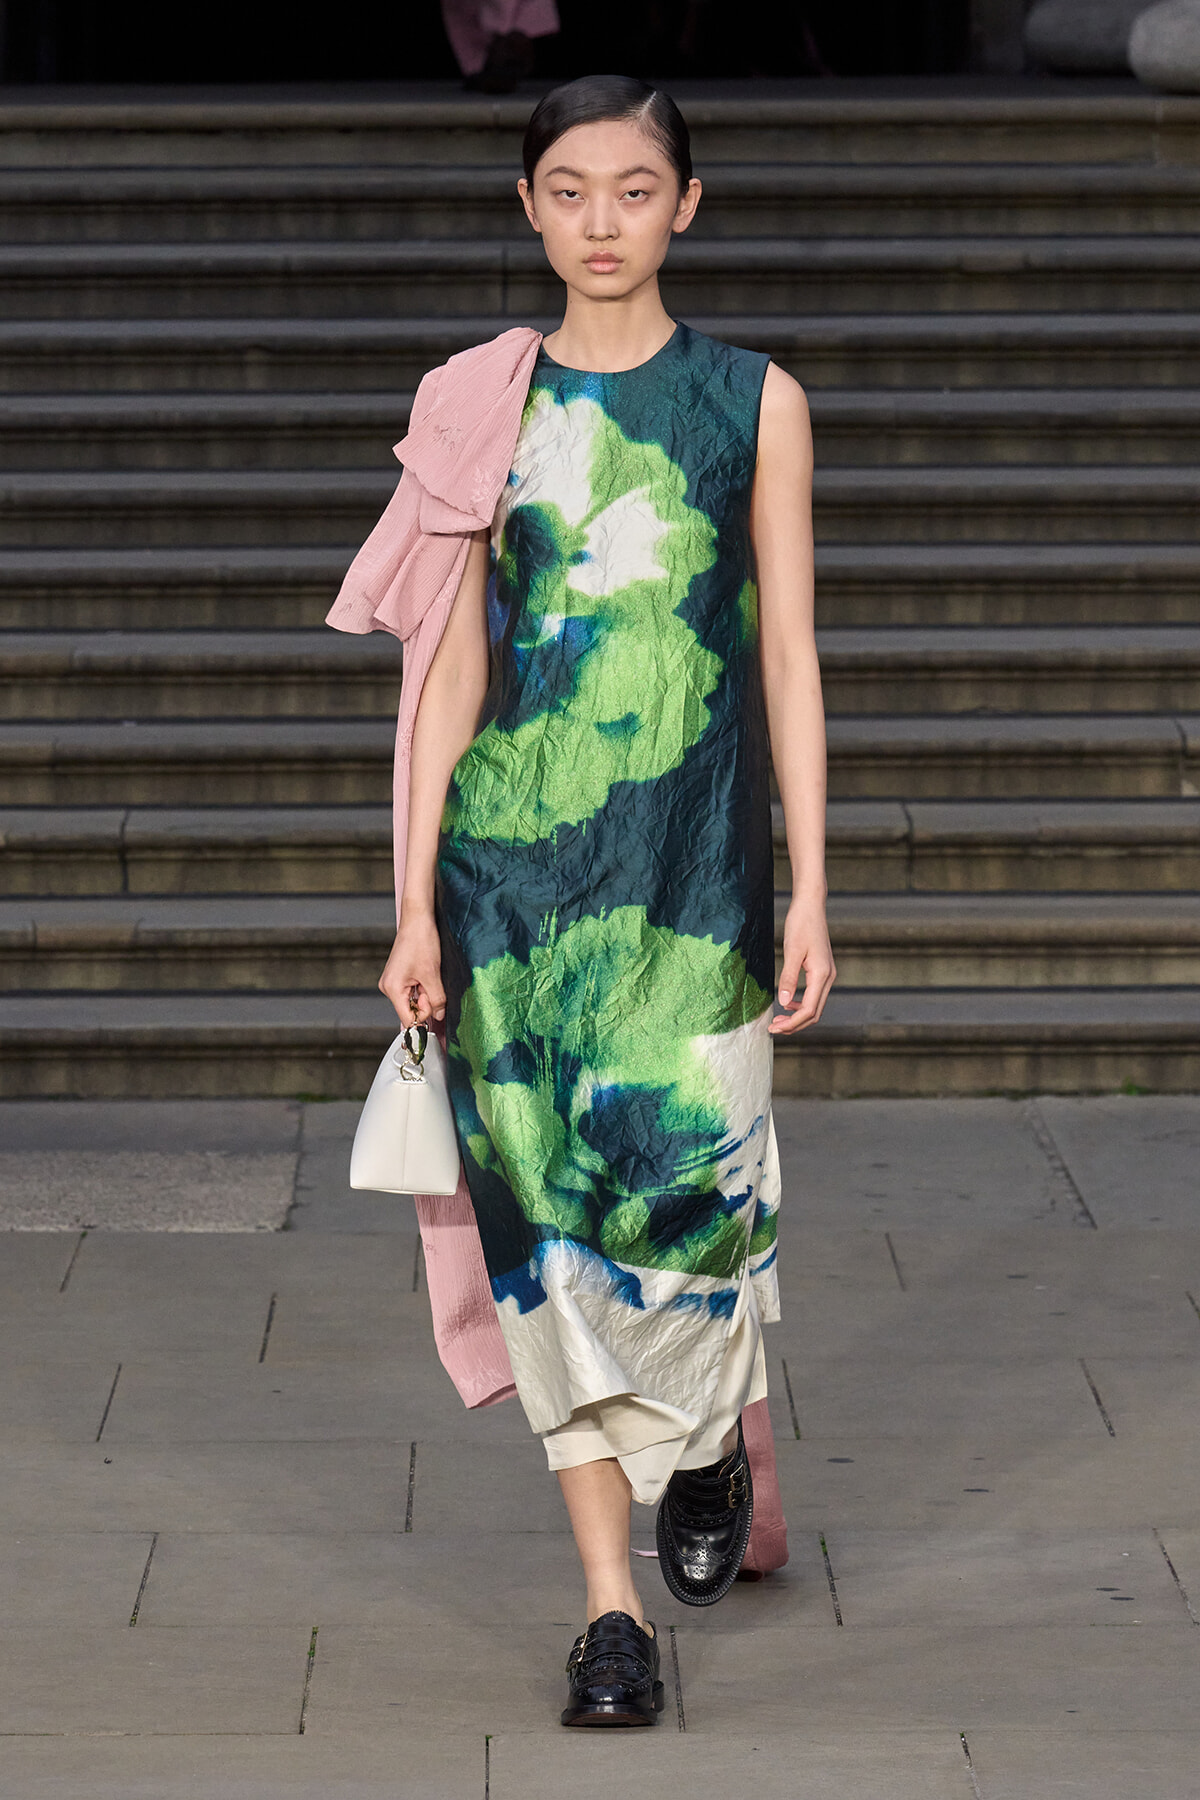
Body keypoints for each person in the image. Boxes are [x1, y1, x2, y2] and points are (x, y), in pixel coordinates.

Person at [371, 74, 834, 1727]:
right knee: (546, 1243)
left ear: (685, 206)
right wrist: (415, 900)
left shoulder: (753, 401)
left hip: (699, 882)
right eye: (568, 190)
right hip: (511, 881)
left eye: (633, 189)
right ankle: (606, 1615)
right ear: (529, 207)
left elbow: (784, 651)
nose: (600, 222)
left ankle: (707, 1445)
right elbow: (446, 672)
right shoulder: (483, 407)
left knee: (707, 1214)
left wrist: (813, 887)